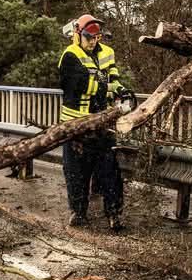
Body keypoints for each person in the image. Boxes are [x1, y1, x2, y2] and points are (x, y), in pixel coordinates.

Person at [58, 14, 135, 231]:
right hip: (76, 124)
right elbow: (82, 85)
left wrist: (122, 91)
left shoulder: (107, 53)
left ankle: (114, 214)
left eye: (96, 37)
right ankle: (78, 212)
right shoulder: (70, 56)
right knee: (75, 173)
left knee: (110, 171)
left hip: (103, 123)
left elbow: (113, 78)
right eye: (89, 37)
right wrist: (105, 85)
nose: (93, 41)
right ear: (78, 35)